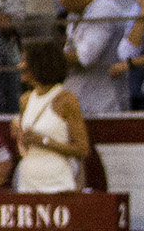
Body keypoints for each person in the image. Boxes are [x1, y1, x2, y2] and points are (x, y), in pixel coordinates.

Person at [51, 0, 128, 116]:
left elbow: (85, 57)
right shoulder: (73, 14)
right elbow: (69, 55)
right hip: (79, 100)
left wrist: (46, 59)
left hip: (105, 105)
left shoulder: (104, 11)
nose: (61, 1)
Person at [11, 40, 88, 193]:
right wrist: (20, 136)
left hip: (57, 182)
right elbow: (25, 148)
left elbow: (82, 149)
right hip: (28, 181)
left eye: (25, 61)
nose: (20, 66)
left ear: (40, 64)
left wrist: (43, 141)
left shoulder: (66, 99)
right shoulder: (25, 99)